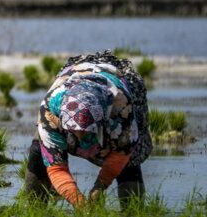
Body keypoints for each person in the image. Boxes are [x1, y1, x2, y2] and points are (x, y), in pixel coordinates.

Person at [24, 50, 152, 206]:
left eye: (85, 131)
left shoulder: (121, 107)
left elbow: (121, 153)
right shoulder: (50, 110)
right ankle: (34, 210)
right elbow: (56, 168)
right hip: (73, 76)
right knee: (40, 150)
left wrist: (99, 187)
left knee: (130, 159)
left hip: (116, 78)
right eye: (74, 131)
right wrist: (79, 203)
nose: (79, 136)